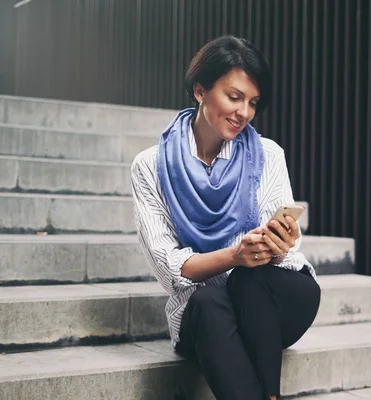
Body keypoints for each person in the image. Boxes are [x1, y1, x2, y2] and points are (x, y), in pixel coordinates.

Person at [131, 35, 320, 400]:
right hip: (207, 311)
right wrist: (234, 256)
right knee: (208, 300)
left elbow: (283, 259)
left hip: (271, 303)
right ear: (200, 90)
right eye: (234, 97)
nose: (244, 113)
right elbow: (171, 269)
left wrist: (280, 245)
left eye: (253, 102)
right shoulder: (150, 166)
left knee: (251, 281)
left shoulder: (267, 154)